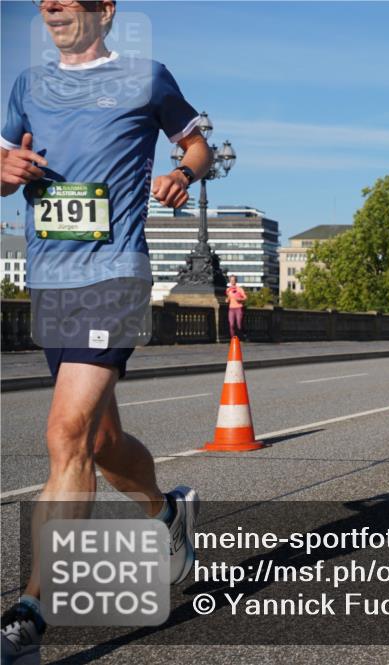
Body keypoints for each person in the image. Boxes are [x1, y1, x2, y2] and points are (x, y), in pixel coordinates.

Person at [0, 2, 209, 660]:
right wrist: (5, 170)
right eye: (44, 0)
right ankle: (167, 513)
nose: (51, 7)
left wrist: (181, 173)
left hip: (114, 273)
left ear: (104, 9)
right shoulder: (28, 87)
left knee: (65, 433)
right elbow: (4, 162)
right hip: (50, 278)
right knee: (103, 437)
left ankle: (30, 612)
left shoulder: (147, 77)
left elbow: (198, 142)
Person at [226, 274, 247, 339]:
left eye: (234, 280)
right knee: (231, 324)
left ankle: (240, 337)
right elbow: (229, 297)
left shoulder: (239, 289)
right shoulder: (228, 290)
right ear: (230, 281)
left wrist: (240, 299)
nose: (232, 281)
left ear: (236, 281)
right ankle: (233, 339)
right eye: (231, 280)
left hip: (238, 308)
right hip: (231, 308)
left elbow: (245, 297)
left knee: (239, 325)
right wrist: (227, 300)